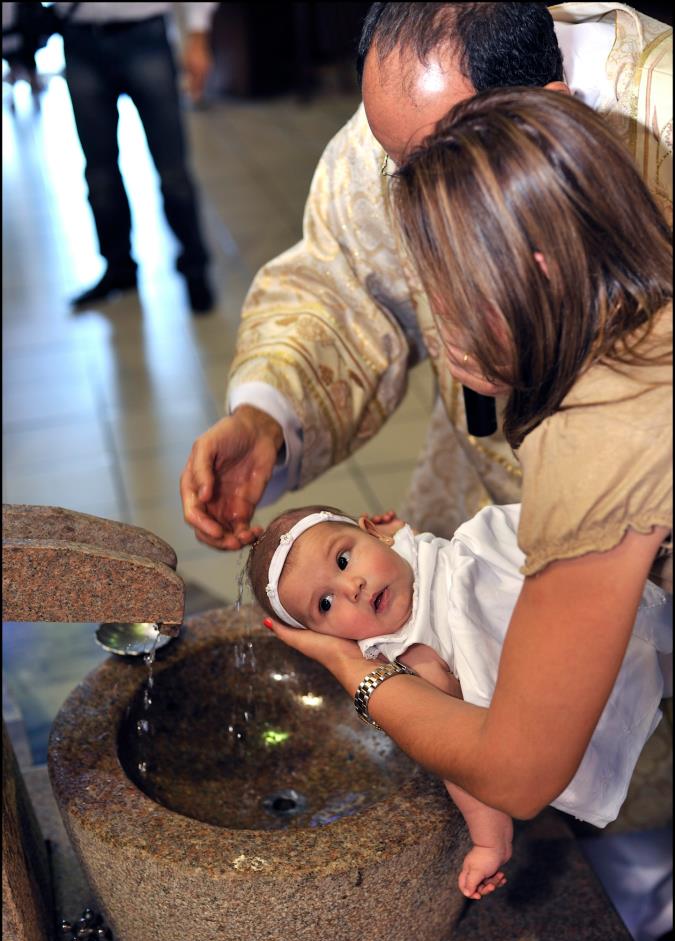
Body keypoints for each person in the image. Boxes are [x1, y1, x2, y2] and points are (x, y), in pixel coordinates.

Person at [259, 83, 671, 847]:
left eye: (445, 293)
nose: (437, 327)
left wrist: (356, 672)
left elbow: (514, 776)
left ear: (538, 270)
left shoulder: (598, 440)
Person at [179, 2, 672, 556]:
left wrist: (539, 348)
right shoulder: (410, 119)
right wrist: (266, 418)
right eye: (403, 168)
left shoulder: (660, 111)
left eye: (435, 165)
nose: (415, 189)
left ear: (549, 108)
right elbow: (342, 278)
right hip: (508, 501)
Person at [247, 502, 671, 899]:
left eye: (343, 559)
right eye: (325, 603)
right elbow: (461, 759)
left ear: (374, 530)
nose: (351, 588)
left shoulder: (459, 544)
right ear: (327, 636)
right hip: (580, 679)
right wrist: (490, 840)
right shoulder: (411, 657)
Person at [56, 1, 218, 312]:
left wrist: (199, 35)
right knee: (99, 172)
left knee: (172, 171)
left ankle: (195, 270)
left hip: (144, 35)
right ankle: (118, 268)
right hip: (79, 38)